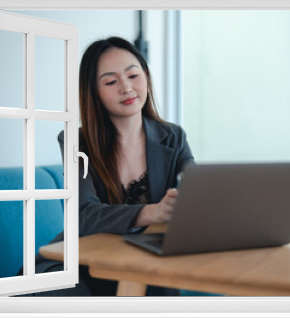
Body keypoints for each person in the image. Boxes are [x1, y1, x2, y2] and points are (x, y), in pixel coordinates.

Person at [26, 36, 194, 296]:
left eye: (133, 75)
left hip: (137, 260)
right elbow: (83, 215)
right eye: (111, 81)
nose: (126, 88)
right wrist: (152, 212)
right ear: (94, 92)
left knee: (162, 293)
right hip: (73, 265)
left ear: (147, 78)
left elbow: (195, 188)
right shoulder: (77, 142)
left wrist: (187, 201)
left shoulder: (173, 137)